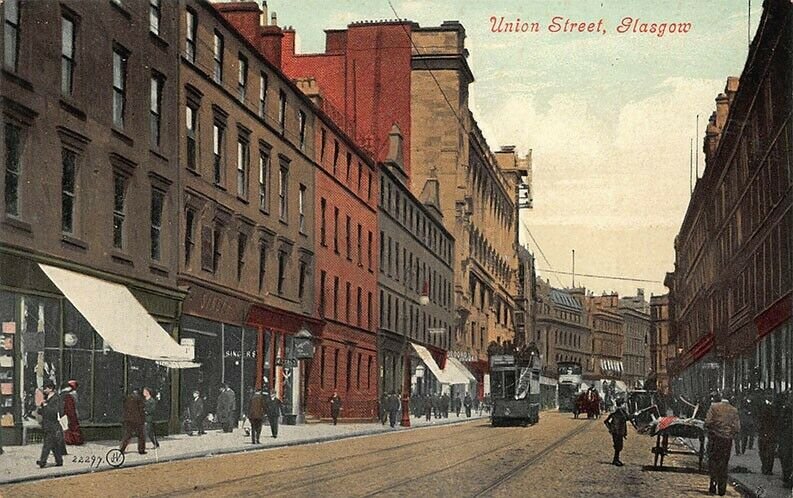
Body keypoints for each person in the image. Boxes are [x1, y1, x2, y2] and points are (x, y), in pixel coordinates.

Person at [704, 392, 741, 496]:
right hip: (726, 440)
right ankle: (722, 489)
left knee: (713, 461)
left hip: (715, 439)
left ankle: (713, 483)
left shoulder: (714, 407)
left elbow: (707, 421)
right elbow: (737, 428)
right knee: (724, 463)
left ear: (721, 397)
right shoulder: (734, 410)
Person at [36, 380, 64, 468]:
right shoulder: (47, 398)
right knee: (54, 444)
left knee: (47, 444)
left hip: (52, 424)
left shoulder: (56, 398)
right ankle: (59, 461)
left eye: (45, 388)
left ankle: (42, 461)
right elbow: (42, 411)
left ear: (50, 388)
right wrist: (41, 407)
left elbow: (55, 411)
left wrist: (45, 406)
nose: (44, 390)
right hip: (47, 424)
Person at [603, 398, 632, 467]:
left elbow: (606, 421)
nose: (624, 405)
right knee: (618, 446)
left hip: (617, 431)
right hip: (618, 431)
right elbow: (627, 418)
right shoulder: (621, 411)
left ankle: (616, 459)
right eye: (623, 404)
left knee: (618, 446)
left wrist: (610, 428)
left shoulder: (616, 411)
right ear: (621, 404)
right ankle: (615, 460)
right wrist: (610, 427)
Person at [119, 389, 146, 455]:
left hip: (128, 420)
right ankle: (141, 450)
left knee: (128, 435)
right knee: (141, 436)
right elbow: (141, 410)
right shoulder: (139, 399)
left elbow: (124, 408)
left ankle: (122, 449)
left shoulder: (127, 398)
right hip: (138, 420)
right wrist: (143, 419)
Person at [756, 390, 776, 475]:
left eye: (770, 394)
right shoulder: (761, 406)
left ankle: (768, 468)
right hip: (764, 431)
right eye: (768, 394)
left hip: (771, 433)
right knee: (763, 451)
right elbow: (758, 417)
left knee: (770, 452)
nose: (769, 396)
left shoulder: (776, 407)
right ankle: (765, 467)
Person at [61, 380, 83, 446]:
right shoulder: (72, 394)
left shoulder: (66, 394)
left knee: (68, 426)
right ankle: (75, 439)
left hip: (67, 412)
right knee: (73, 425)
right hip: (71, 412)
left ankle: (71, 440)